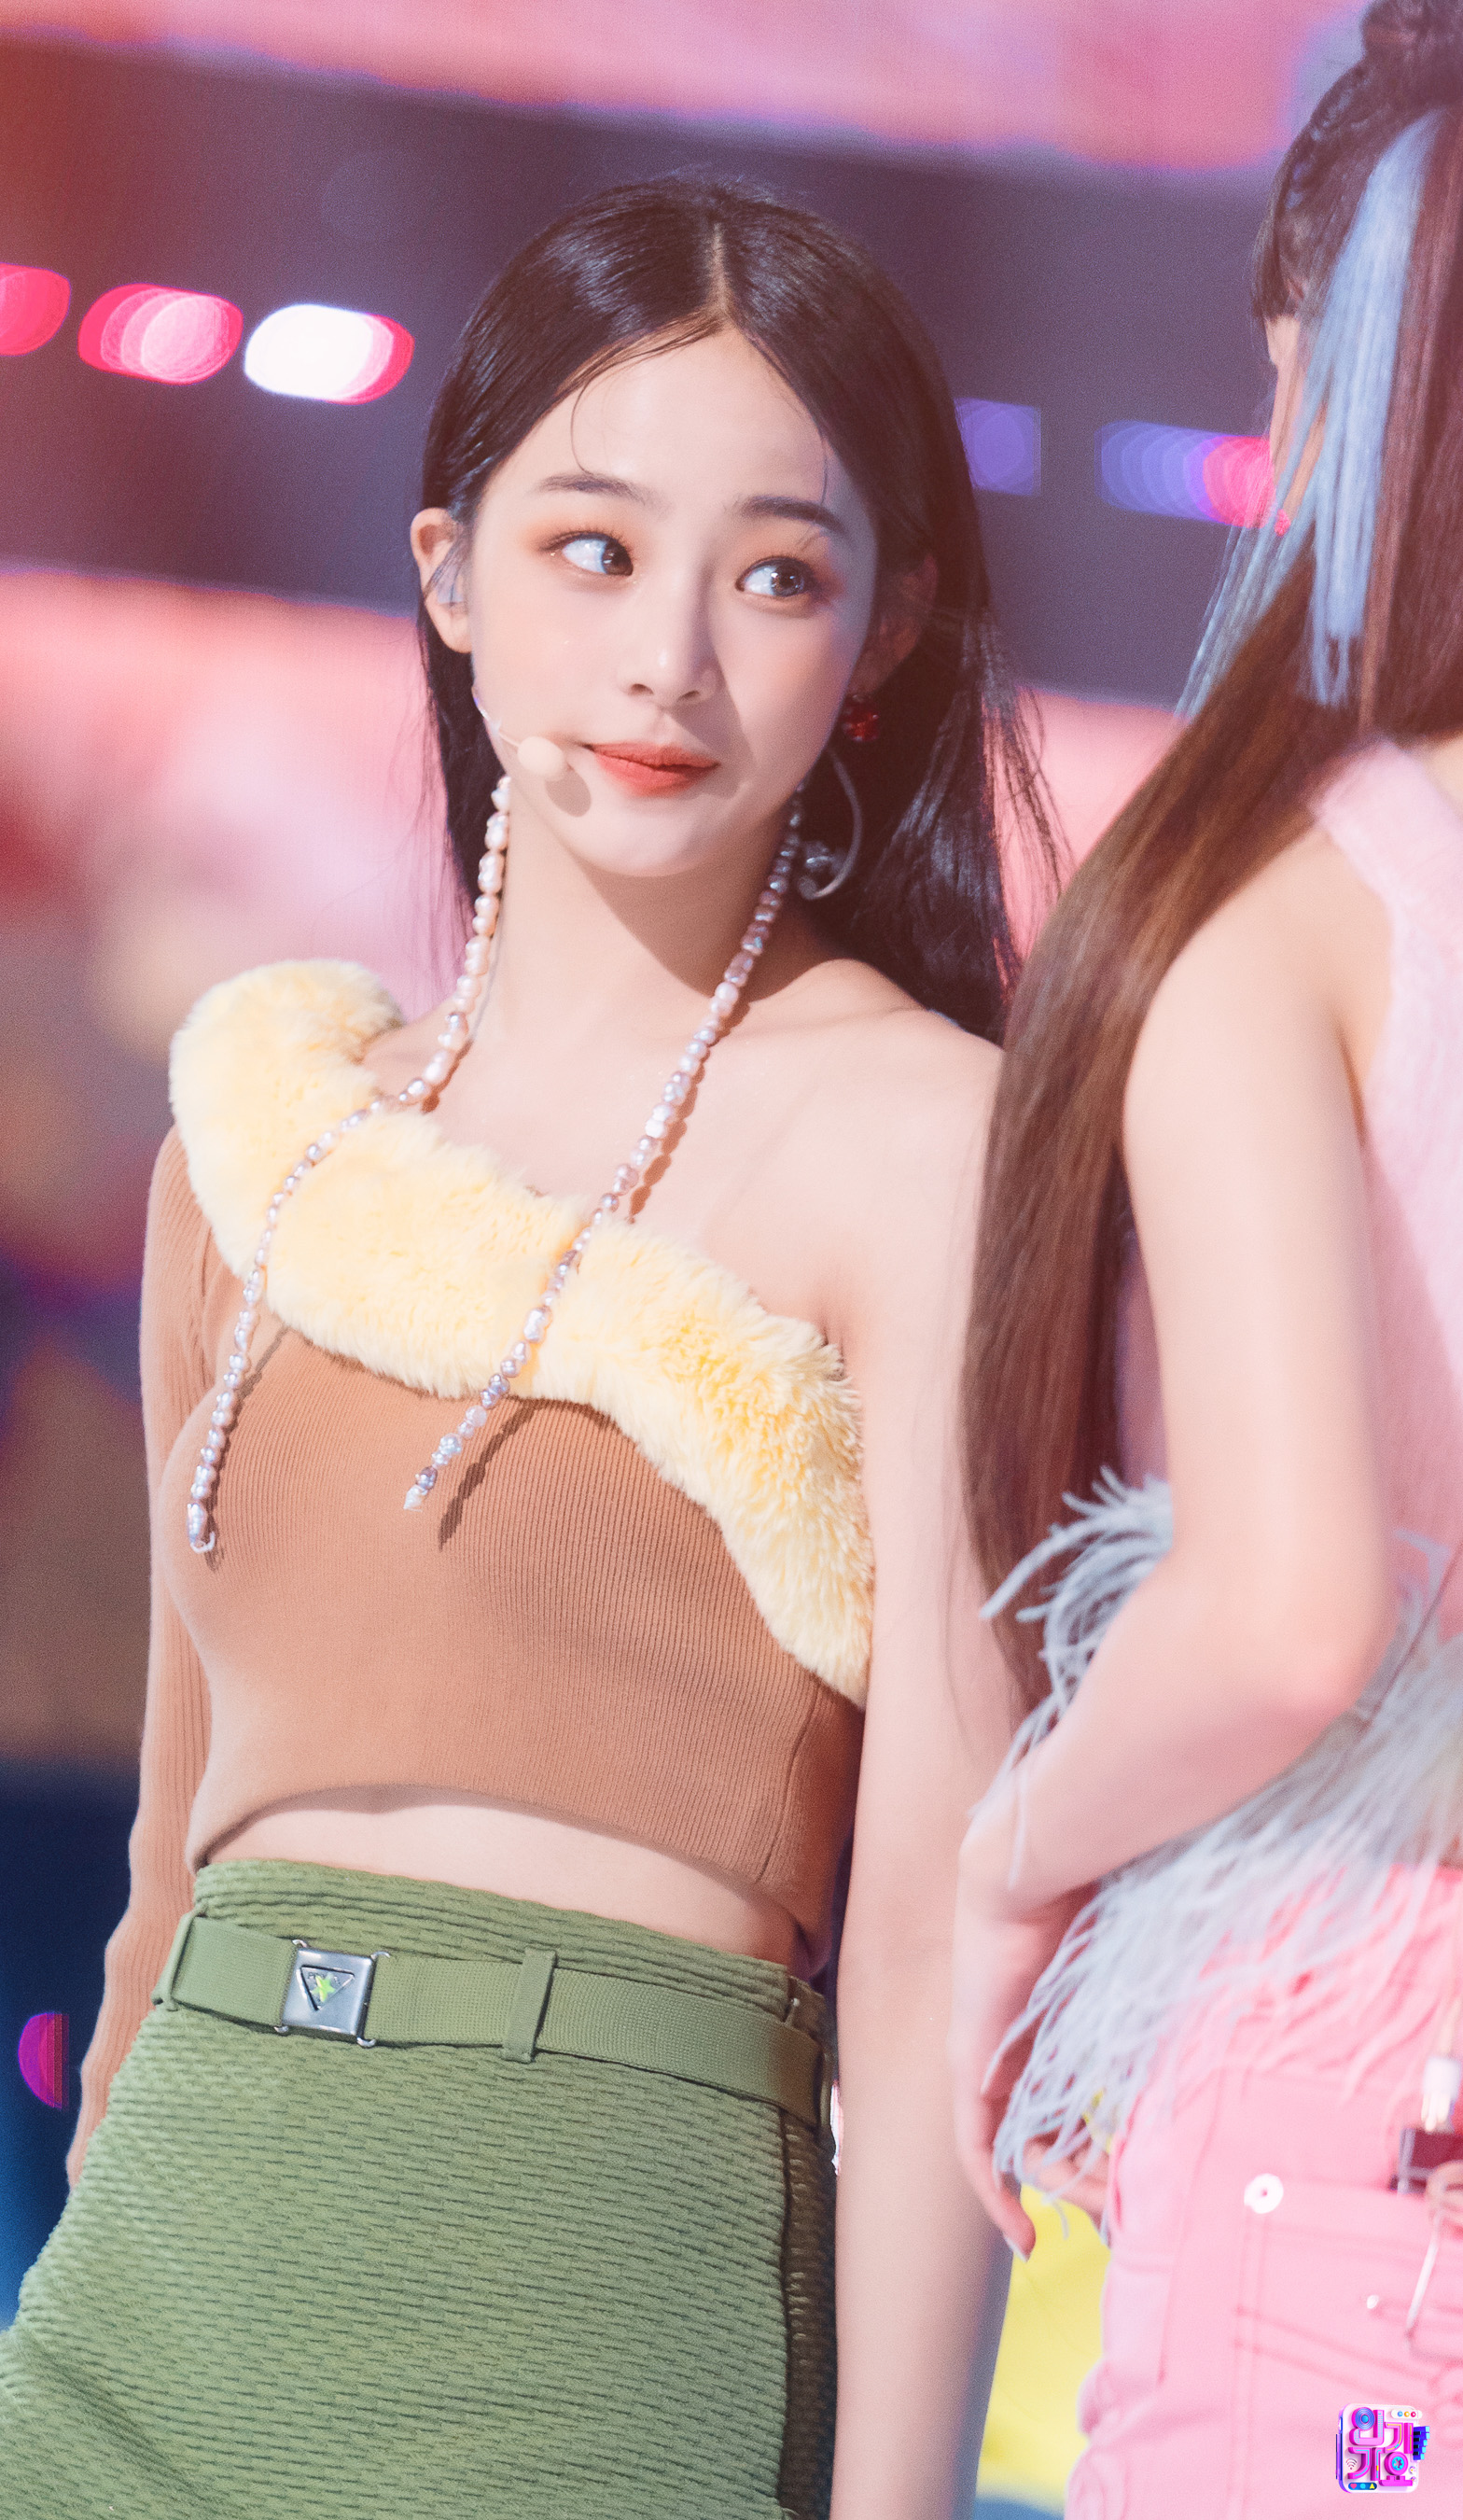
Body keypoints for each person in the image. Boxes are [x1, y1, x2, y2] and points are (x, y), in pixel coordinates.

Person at [0, 175, 1054, 2520]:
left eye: (777, 575)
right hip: (165, 2265)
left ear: (892, 626)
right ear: (448, 571)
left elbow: (942, 1927)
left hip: (585, 2278)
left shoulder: (930, 1138)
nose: (668, 663)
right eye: (593, 550)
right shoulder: (268, 1142)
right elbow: (170, 1849)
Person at [950, 6, 1463, 2512]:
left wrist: (1008, 1859)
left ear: (1326, 356)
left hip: (1363, 2062)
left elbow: (1281, 1612)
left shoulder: (1293, 901)